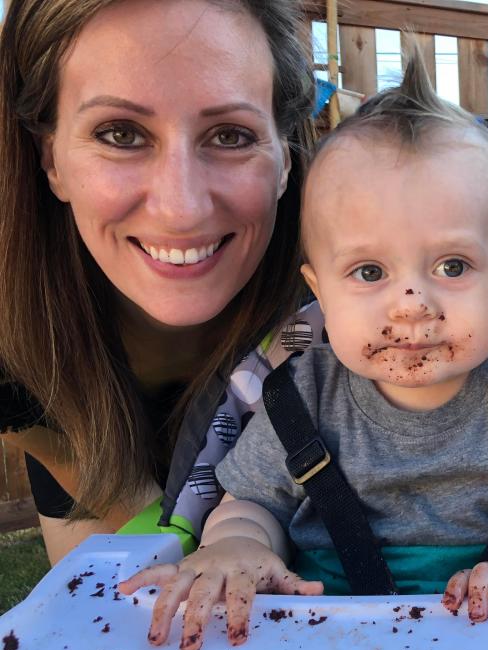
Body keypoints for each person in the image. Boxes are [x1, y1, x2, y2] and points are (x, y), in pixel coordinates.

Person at [120, 50, 488, 650]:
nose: (411, 305)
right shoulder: (298, 399)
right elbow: (248, 505)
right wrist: (238, 548)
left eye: (452, 266)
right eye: (368, 271)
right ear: (321, 295)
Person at [0, 0, 316, 563]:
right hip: (81, 433)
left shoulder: (339, 315)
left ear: (286, 156)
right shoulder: (13, 343)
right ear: (50, 158)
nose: (181, 209)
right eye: (120, 133)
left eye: (231, 135)